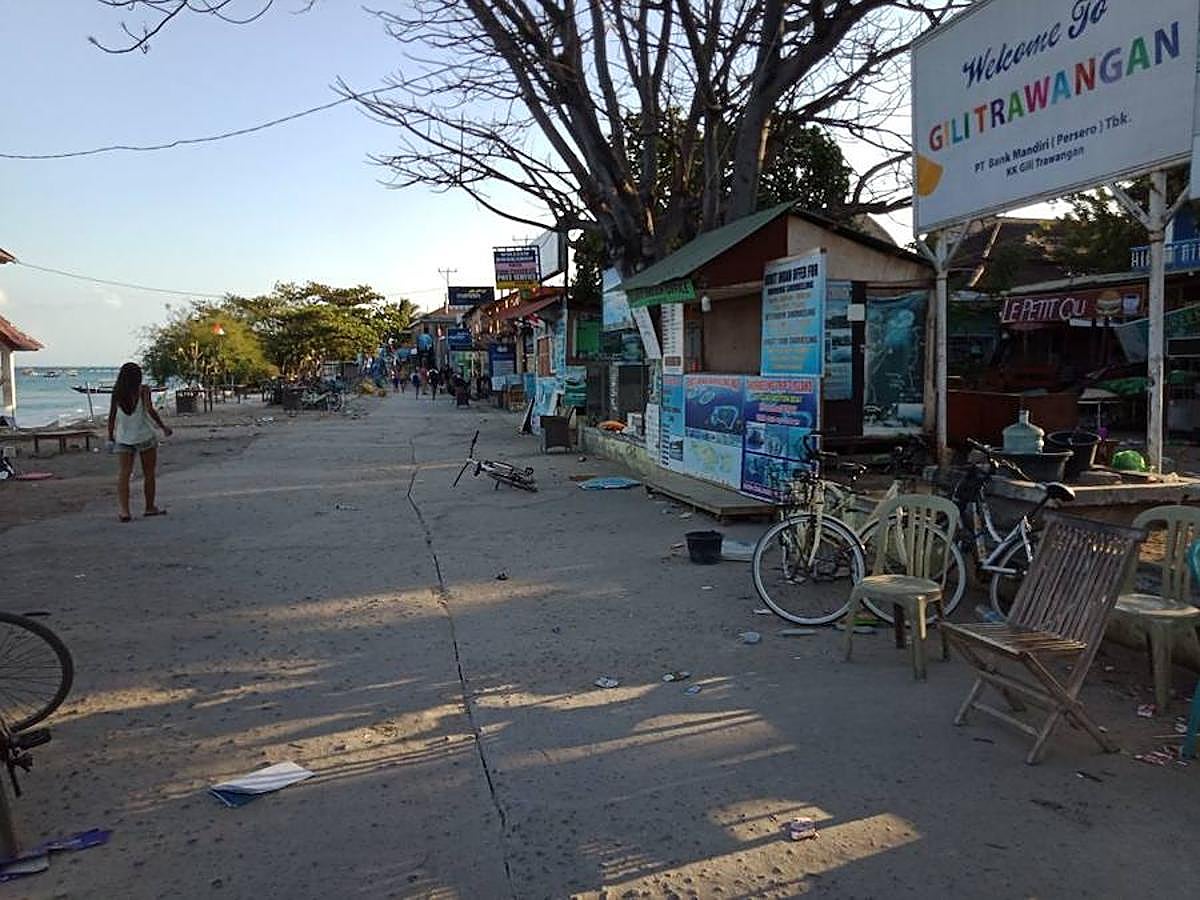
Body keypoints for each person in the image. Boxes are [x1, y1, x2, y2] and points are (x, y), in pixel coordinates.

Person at [107, 362, 173, 522]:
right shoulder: (143, 390)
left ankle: (124, 511)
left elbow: (112, 416)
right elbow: (150, 410)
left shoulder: (117, 392)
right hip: (145, 436)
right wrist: (163, 427)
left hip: (124, 438)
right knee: (148, 473)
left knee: (124, 474)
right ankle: (149, 507)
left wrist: (110, 436)